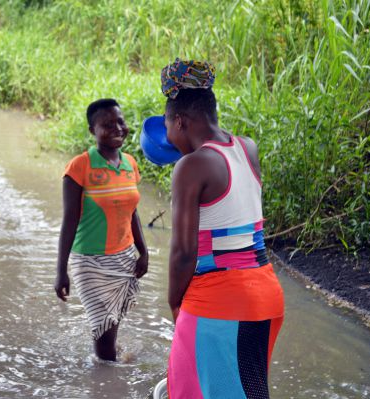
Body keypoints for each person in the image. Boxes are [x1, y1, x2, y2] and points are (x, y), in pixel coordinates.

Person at [162, 59, 285, 398]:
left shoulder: (191, 165)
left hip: (219, 301)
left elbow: (184, 253)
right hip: (265, 294)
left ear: (180, 121)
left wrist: (175, 303)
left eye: (168, 127)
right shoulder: (247, 148)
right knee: (248, 390)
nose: (170, 138)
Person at [54, 98, 149, 361]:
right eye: (107, 125)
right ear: (92, 131)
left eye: (120, 121)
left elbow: (132, 212)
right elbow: (69, 220)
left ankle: (107, 368)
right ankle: (108, 380)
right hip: (90, 262)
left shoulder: (130, 163)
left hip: (124, 258)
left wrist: (144, 252)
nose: (118, 128)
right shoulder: (79, 167)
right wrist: (61, 271)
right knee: (104, 331)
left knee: (111, 324)